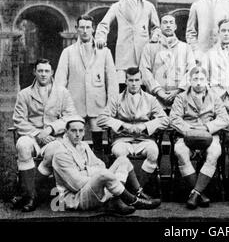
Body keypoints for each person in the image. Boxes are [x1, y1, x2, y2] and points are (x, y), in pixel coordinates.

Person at [52, 116, 160, 215]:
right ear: (66, 132)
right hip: (75, 198)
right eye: (73, 131)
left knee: (122, 160)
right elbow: (76, 184)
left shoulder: (83, 145)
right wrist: (97, 176)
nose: (77, 134)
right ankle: (133, 201)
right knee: (103, 174)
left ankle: (130, 195)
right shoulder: (61, 153)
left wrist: (86, 172)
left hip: (91, 188)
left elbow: (101, 164)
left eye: (80, 131)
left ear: (84, 132)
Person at [12, 58, 77, 212]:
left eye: (46, 71)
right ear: (35, 72)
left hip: (54, 137)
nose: (43, 74)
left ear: (52, 72)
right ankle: (32, 196)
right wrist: (37, 133)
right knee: (22, 145)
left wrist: (51, 129)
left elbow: (70, 117)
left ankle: (29, 192)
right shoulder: (24, 94)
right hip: (32, 136)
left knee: (56, 151)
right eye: (40, 71)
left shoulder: (62, 92)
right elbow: (19, 121)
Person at [97, 67, 169, 199]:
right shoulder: (116, 99)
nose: (134, 83)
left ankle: (137, 190)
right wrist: (122, 125)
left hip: (145, 140)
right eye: (131, 80)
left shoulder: (150, 99)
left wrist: (145, 126)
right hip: (122, 140)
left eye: (137, 80)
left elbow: (165, 120)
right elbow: (101, 119)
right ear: (126, 81)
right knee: (120, 155)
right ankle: (120, 194)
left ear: (141, 81)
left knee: (154, 152)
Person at [55, 14, 118, 160]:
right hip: (75, 106)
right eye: (81, 27)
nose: (84, 31)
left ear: (93, 29)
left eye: (88, 27)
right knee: (76, 143)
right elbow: (60, 82)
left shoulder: (104, 52)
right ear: (76, 29)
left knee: (98, 145)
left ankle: (99, 171)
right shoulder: (68, 52)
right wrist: (61, 106)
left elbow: (112, 83)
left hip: (98, 106)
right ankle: (78, 171)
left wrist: (110, 107)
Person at [169, 66, 229, 209]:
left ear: (206, 81)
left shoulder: (214, 97)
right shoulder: (181, 97)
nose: (198, 83)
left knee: (215, 152)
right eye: (195, 79)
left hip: (209, 135)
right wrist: (189, 130)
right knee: (180, 151)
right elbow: (174, 118)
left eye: (201, 79)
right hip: (186, 135)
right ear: (190, 80)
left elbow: (224, 118)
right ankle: (199, 194)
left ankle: (195, 193)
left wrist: (207, 128)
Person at [95, 0, 160, 90]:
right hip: (124, 53)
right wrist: (100, 37)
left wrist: (155, 36)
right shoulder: (117, 6)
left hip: (142, 52)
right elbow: (103, 25)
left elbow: (156, 27)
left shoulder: (148, 6)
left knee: (142, 86)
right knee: (123, 86)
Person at [140, 14, 195, 110]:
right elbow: (144, 70)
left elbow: (191, 70)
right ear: (160, 27)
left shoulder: (186, 48)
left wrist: (178, 91)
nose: (168, 25)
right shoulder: (149, 47)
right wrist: (158, 91)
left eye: (171, 23)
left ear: (175, 27)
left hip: (180, 100)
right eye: (165, 23)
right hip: (155, 100)